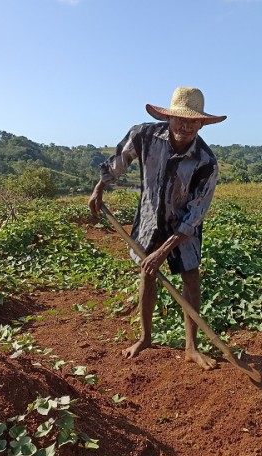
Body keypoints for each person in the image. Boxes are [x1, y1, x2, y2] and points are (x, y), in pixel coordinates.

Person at [89, 87, 226, 371]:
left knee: (190, 277)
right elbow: (119, 161)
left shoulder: (205, 162)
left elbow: (195, 215)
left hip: (182, 228)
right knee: (147, 274)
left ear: (201, 123)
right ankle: (145, 337)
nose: (186, 126)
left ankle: (191, 347)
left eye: (193, 121)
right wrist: (99, 188)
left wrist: (163, 252)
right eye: (180, 119)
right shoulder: (144, 135)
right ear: (169, 117)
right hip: (150, 218)